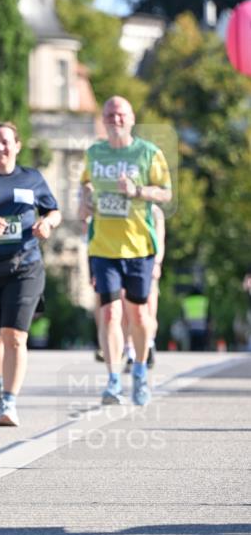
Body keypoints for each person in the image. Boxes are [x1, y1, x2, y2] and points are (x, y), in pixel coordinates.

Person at [81, 95, 171, 406]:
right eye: (109, 114)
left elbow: (166, 193)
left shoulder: (148, 153)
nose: (115, 119)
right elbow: (85, 184)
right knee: (109, 313)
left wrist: (137, 191)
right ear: (103, 119)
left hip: (139, 247)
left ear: (131, 119)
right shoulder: (94, 153)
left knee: (140, 315)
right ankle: (113, 380)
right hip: (103, 247)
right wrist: (85, 198)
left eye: (120, 114)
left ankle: (141, 371)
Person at [0, 122, 60, 426]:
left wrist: (47, 224)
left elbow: (53, 210)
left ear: (17, 146)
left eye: (6, 142)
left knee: (15, 336)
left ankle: (9, 401)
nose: (0, 147)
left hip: (25, 266)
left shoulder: (32, 178)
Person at [122, 204, 165, 370]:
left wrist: (157, 263)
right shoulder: (124, 206)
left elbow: (159, 239)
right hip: (125, 263)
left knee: (149, 310)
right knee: (127, 313)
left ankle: (149, 343)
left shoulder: (154, 211)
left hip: (147, 263)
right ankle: (131, 352)